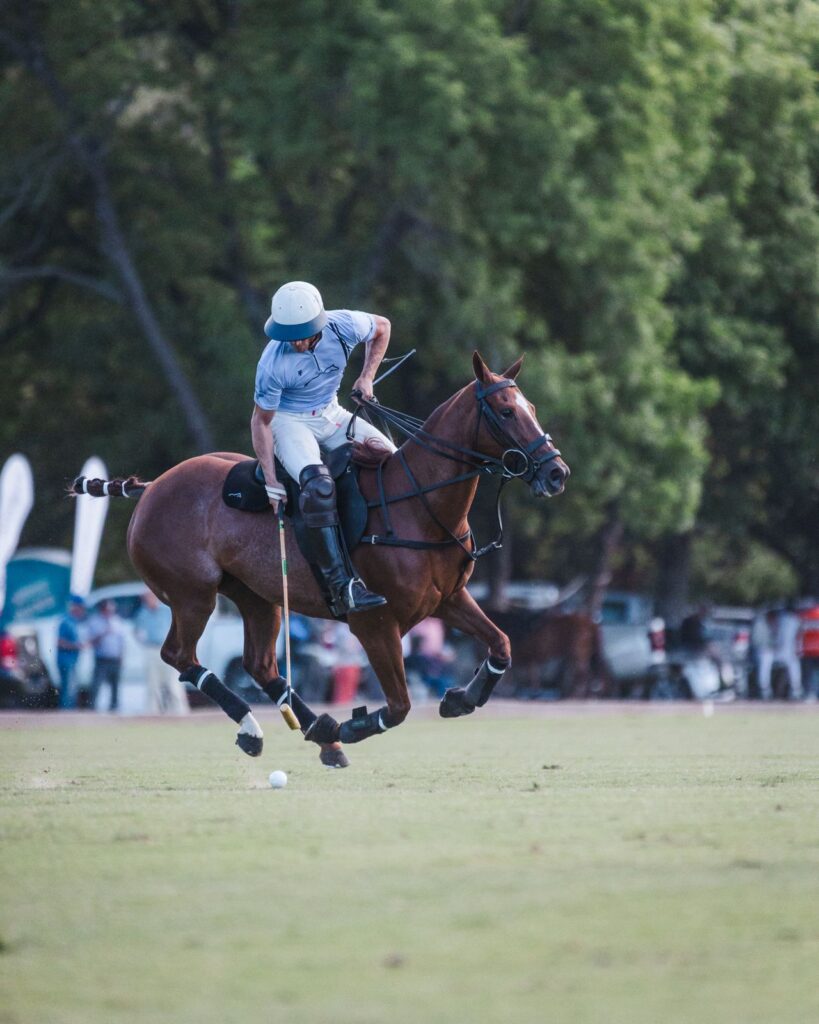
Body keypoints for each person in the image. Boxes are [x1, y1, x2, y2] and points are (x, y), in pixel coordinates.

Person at [250, 281, 396, 617]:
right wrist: (271, 481)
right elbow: (261, 422)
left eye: (302, 335)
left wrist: (367, 377)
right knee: (318, 486)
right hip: (289, 421)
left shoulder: (344, 325)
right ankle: (342, 586)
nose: (295, 342)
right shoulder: (272, 363)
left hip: (331, 413)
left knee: (393, 463)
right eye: (289, 335)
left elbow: (383, 327)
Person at [133, 590, 189, 715]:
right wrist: (142, 640)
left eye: (149, 597)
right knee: (153, 683)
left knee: (173, 682)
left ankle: (179, 712)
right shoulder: (142, 613)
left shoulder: (166, 611)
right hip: (151, 649)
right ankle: (152, 712)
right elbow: (136, 631)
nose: (147, 600)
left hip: (169, 649)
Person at [86, 599, 126, 711]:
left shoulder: (117, 621)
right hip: (102, 658)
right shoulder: (94, 621)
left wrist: (122, 656)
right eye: (108, 610)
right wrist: (103, 633)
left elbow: (122, 641)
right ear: (102, 609)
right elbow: (90, 641)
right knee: (96, 684)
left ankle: (114, 707)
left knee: (115, 685)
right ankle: (92, 707)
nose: (110, 612)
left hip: (115, 658)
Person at [56, 594, 86, 709]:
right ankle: (66, 712)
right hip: (65, 660)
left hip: (72, 660)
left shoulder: (74, 621)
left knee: (71, 687)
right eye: (81, 607)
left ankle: (69, 710)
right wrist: (75, 646)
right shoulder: (66, 622)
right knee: (68, 688)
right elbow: (59, 642)